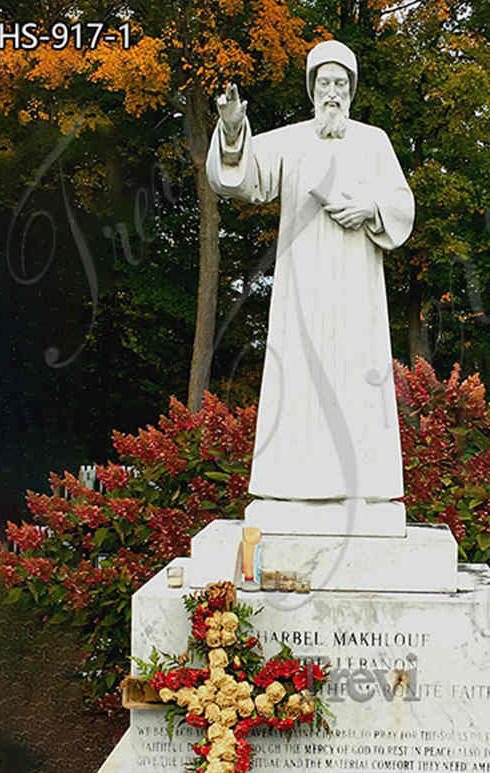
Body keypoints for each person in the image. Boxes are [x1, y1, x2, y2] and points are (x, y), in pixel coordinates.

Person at [206, 40, 414, 503]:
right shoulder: (292, 140)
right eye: (325, 83)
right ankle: (292, 486)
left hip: (357, 286)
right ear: (312, 89)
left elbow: (402, 205)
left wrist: (369, 207)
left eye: (341, 83)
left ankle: (362, 490)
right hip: (303, 287)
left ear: (352, 90)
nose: (333, 92)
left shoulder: (374, 141)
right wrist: (233, 128)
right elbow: (239, 179)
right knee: (300, 380)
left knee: (355, 377)